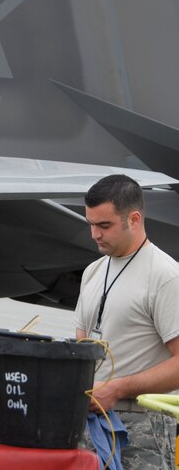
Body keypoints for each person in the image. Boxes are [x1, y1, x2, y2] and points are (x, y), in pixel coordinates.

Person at [75, 174, 179, 470]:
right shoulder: (92, 272)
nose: (95, 234)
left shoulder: (166, 276)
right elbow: (83, 348)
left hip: (143, 429)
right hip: (91, 424)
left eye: (104, 225)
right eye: (91, 224)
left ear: (134, 219)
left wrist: (118, 388)